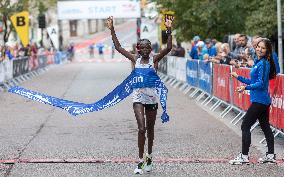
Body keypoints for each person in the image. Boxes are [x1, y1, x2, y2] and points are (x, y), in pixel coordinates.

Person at [106, 15, 173, 174]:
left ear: (150, 49)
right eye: (141, 47)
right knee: (141, 128)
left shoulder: (155, 59)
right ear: (138, 49)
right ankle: (140, 161)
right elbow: (118, 48)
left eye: (147, 48)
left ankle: (149, 156)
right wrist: (112, 29)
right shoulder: (134, 59)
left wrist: (169, 29)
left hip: (152, 98)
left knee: (150, 130)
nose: (144, 50)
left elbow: (169, 48)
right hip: (137, 98)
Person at [229, 38, 277, 165]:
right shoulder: (259, 62)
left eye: (263, 48)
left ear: (267, 51)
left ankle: (244, 157)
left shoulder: (263, 63)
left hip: (260, 101)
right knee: (265, 127)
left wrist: (245, 88)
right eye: (258, 47)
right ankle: (270, 156)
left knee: (245, 125)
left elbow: (260, 84)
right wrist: (238, 77)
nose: (259, 49)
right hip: (261, 100)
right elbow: (253, 81)